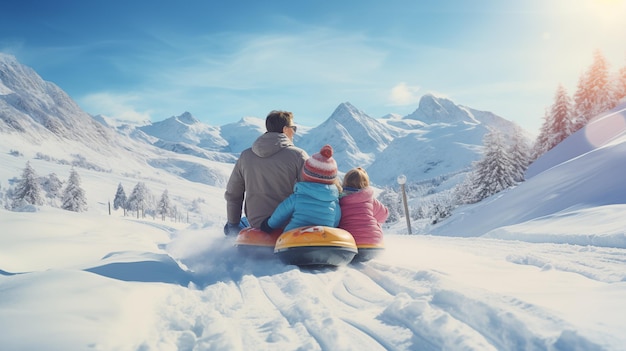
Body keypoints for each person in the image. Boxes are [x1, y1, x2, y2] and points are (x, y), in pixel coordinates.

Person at [224, 110, 309, 235]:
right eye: (294, 128)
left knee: (235, 224)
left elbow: (233, 194)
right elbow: (310, 191)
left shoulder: (245, 156)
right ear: (286, 129)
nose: (294, 132)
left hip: (256, 224)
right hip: (288, 225)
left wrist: (232, 224)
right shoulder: (298, 155)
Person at [260, 144, 341, 233]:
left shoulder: (297, 197)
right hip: (323, 240)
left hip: (295, 239)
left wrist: (269, 224)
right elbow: (335, 222)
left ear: (305, 175)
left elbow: (281, 213)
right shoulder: (334, 202)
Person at [338, 167, 388, 247]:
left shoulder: (340, 199)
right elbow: (384, 214)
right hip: (373, 239)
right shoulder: (369, 199)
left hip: (349, 240)